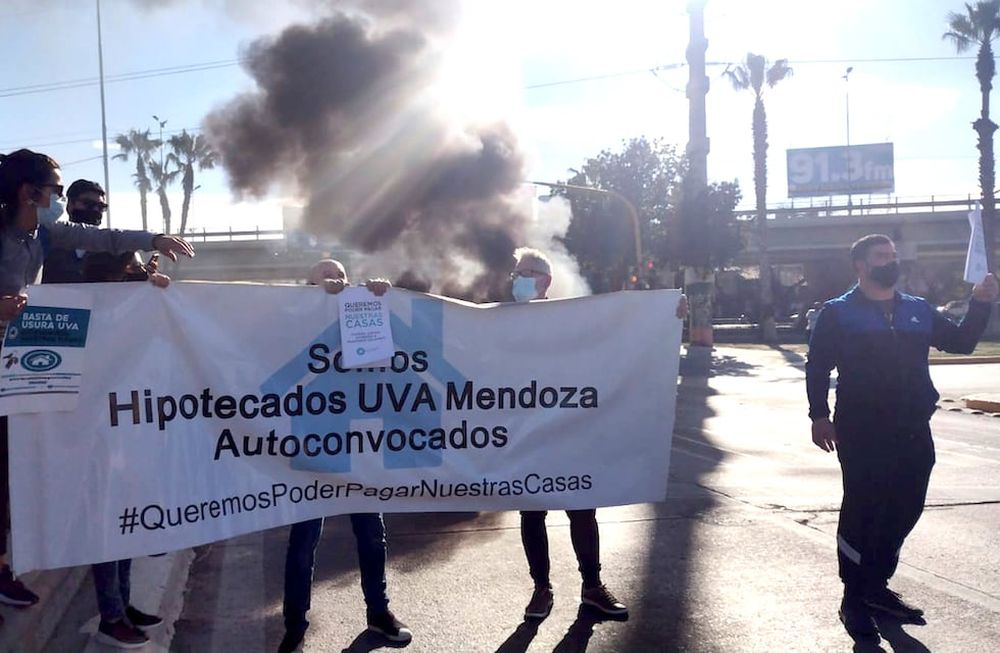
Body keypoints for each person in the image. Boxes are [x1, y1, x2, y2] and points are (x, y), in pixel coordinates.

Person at [0, 149, 193, 623]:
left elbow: (102, 238)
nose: (60, 202)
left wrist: (153, 238)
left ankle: (3, 570)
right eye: (57, 192)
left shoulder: (41, 233)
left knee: (9, 481)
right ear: (29, 192)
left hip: (23, 376)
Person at [806, 234, 999, 642]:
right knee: (863, 512)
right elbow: (818, 366)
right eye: (881, 257)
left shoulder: (917, 310)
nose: (890, 262)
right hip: (861, 430)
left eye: (893, 256)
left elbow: (962, 343)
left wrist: (981, 302)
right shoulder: (839, 313)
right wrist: (819, 415)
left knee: (904, 509)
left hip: (912, 430)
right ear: (860, 265)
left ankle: (877, 585)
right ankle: (854, 598)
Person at [511, 247, 688, 621]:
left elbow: (625, 337)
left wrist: (667, 317)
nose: (517, 279)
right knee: (532, 512)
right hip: (526, 434)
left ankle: (592, 588)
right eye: (515, 273)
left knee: (582, 509)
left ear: (545, 281)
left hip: (569, 429)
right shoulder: (498, 319)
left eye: (525, 273)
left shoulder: (574, 319)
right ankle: (541, 589)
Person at [278, 259, 411, 653]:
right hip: (312, 448)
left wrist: (379, 297)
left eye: (341, 278)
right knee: (303, 541)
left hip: (358, 446)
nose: (336, 283)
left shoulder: (361, 314)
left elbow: (392, 357)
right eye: (324, 279)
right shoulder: (290, 323)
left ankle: (379, 613)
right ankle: (295, 626)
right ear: (307, 286)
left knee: (372, 536)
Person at [80, 251, 169, 648]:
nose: (141, 276)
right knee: (107, 530)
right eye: (133, 270)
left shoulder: (126, 314)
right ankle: (110, 616)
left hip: (126, 435)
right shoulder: (90, 314)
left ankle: (123, 604)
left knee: (126, 524)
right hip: (98, 440)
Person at [41, 178, 108, 284]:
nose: (95, 210)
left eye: (100, 207)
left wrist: (138, 272)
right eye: (88, 204)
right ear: (70, 205)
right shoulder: (46, 242)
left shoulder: (112, 250)